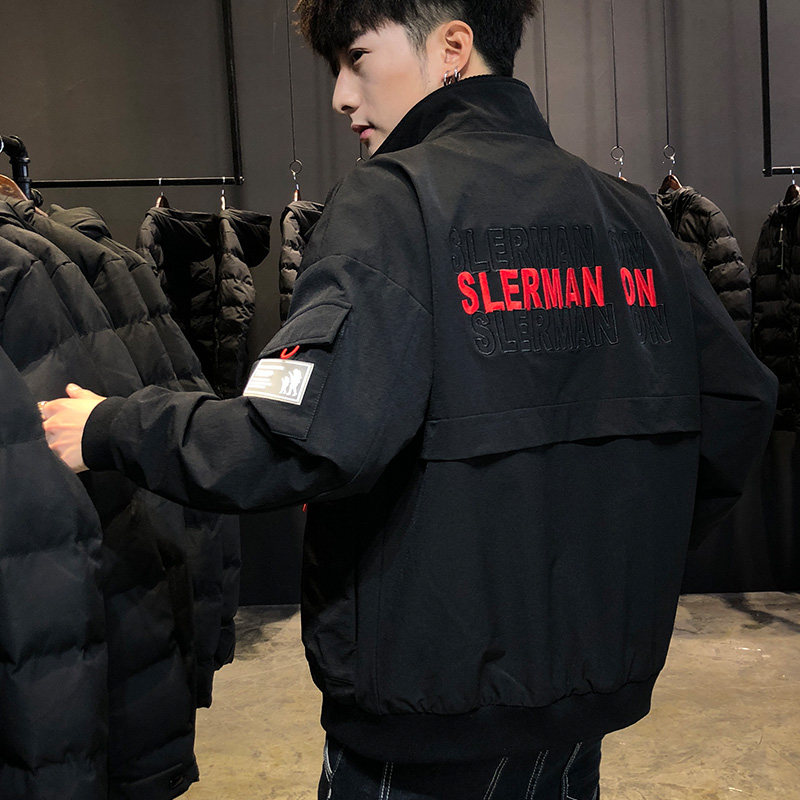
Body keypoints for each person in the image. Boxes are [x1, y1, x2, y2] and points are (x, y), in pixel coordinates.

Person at [42, 1, 777, 798]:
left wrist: (110, 426)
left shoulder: (393, 201)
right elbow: (738, 403)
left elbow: (293, 436)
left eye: (356, 57)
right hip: (590, 690)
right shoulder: (628, 213)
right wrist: (622, 553)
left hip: (427, 709)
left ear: (453, 46)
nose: (340, 96)